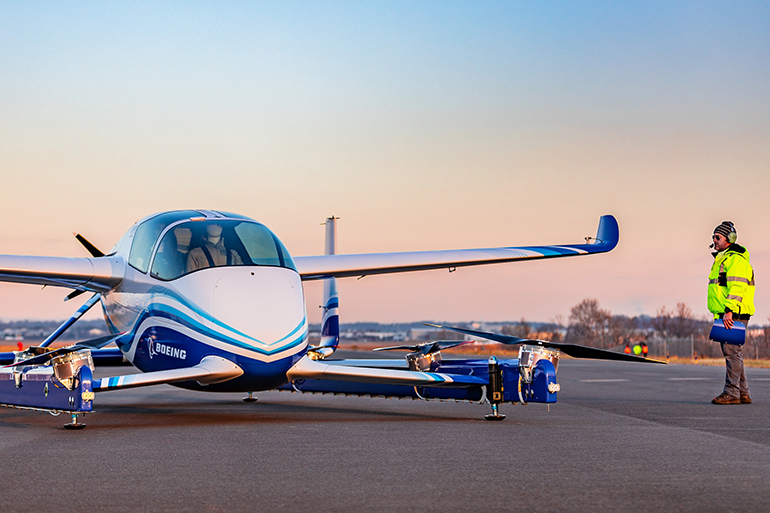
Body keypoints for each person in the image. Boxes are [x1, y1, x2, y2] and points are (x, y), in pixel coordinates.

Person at [708, 221, 755, 405]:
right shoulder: (724, 259)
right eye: (713, 237)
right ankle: (742, 392)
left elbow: (737, 287)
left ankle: (731, 392)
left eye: (717, 237)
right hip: (726, 313)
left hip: (733, 313)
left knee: (732, 353)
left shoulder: (735, 259)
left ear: (729, 239)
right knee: (734, 352)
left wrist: (729, 311)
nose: (714, 240)